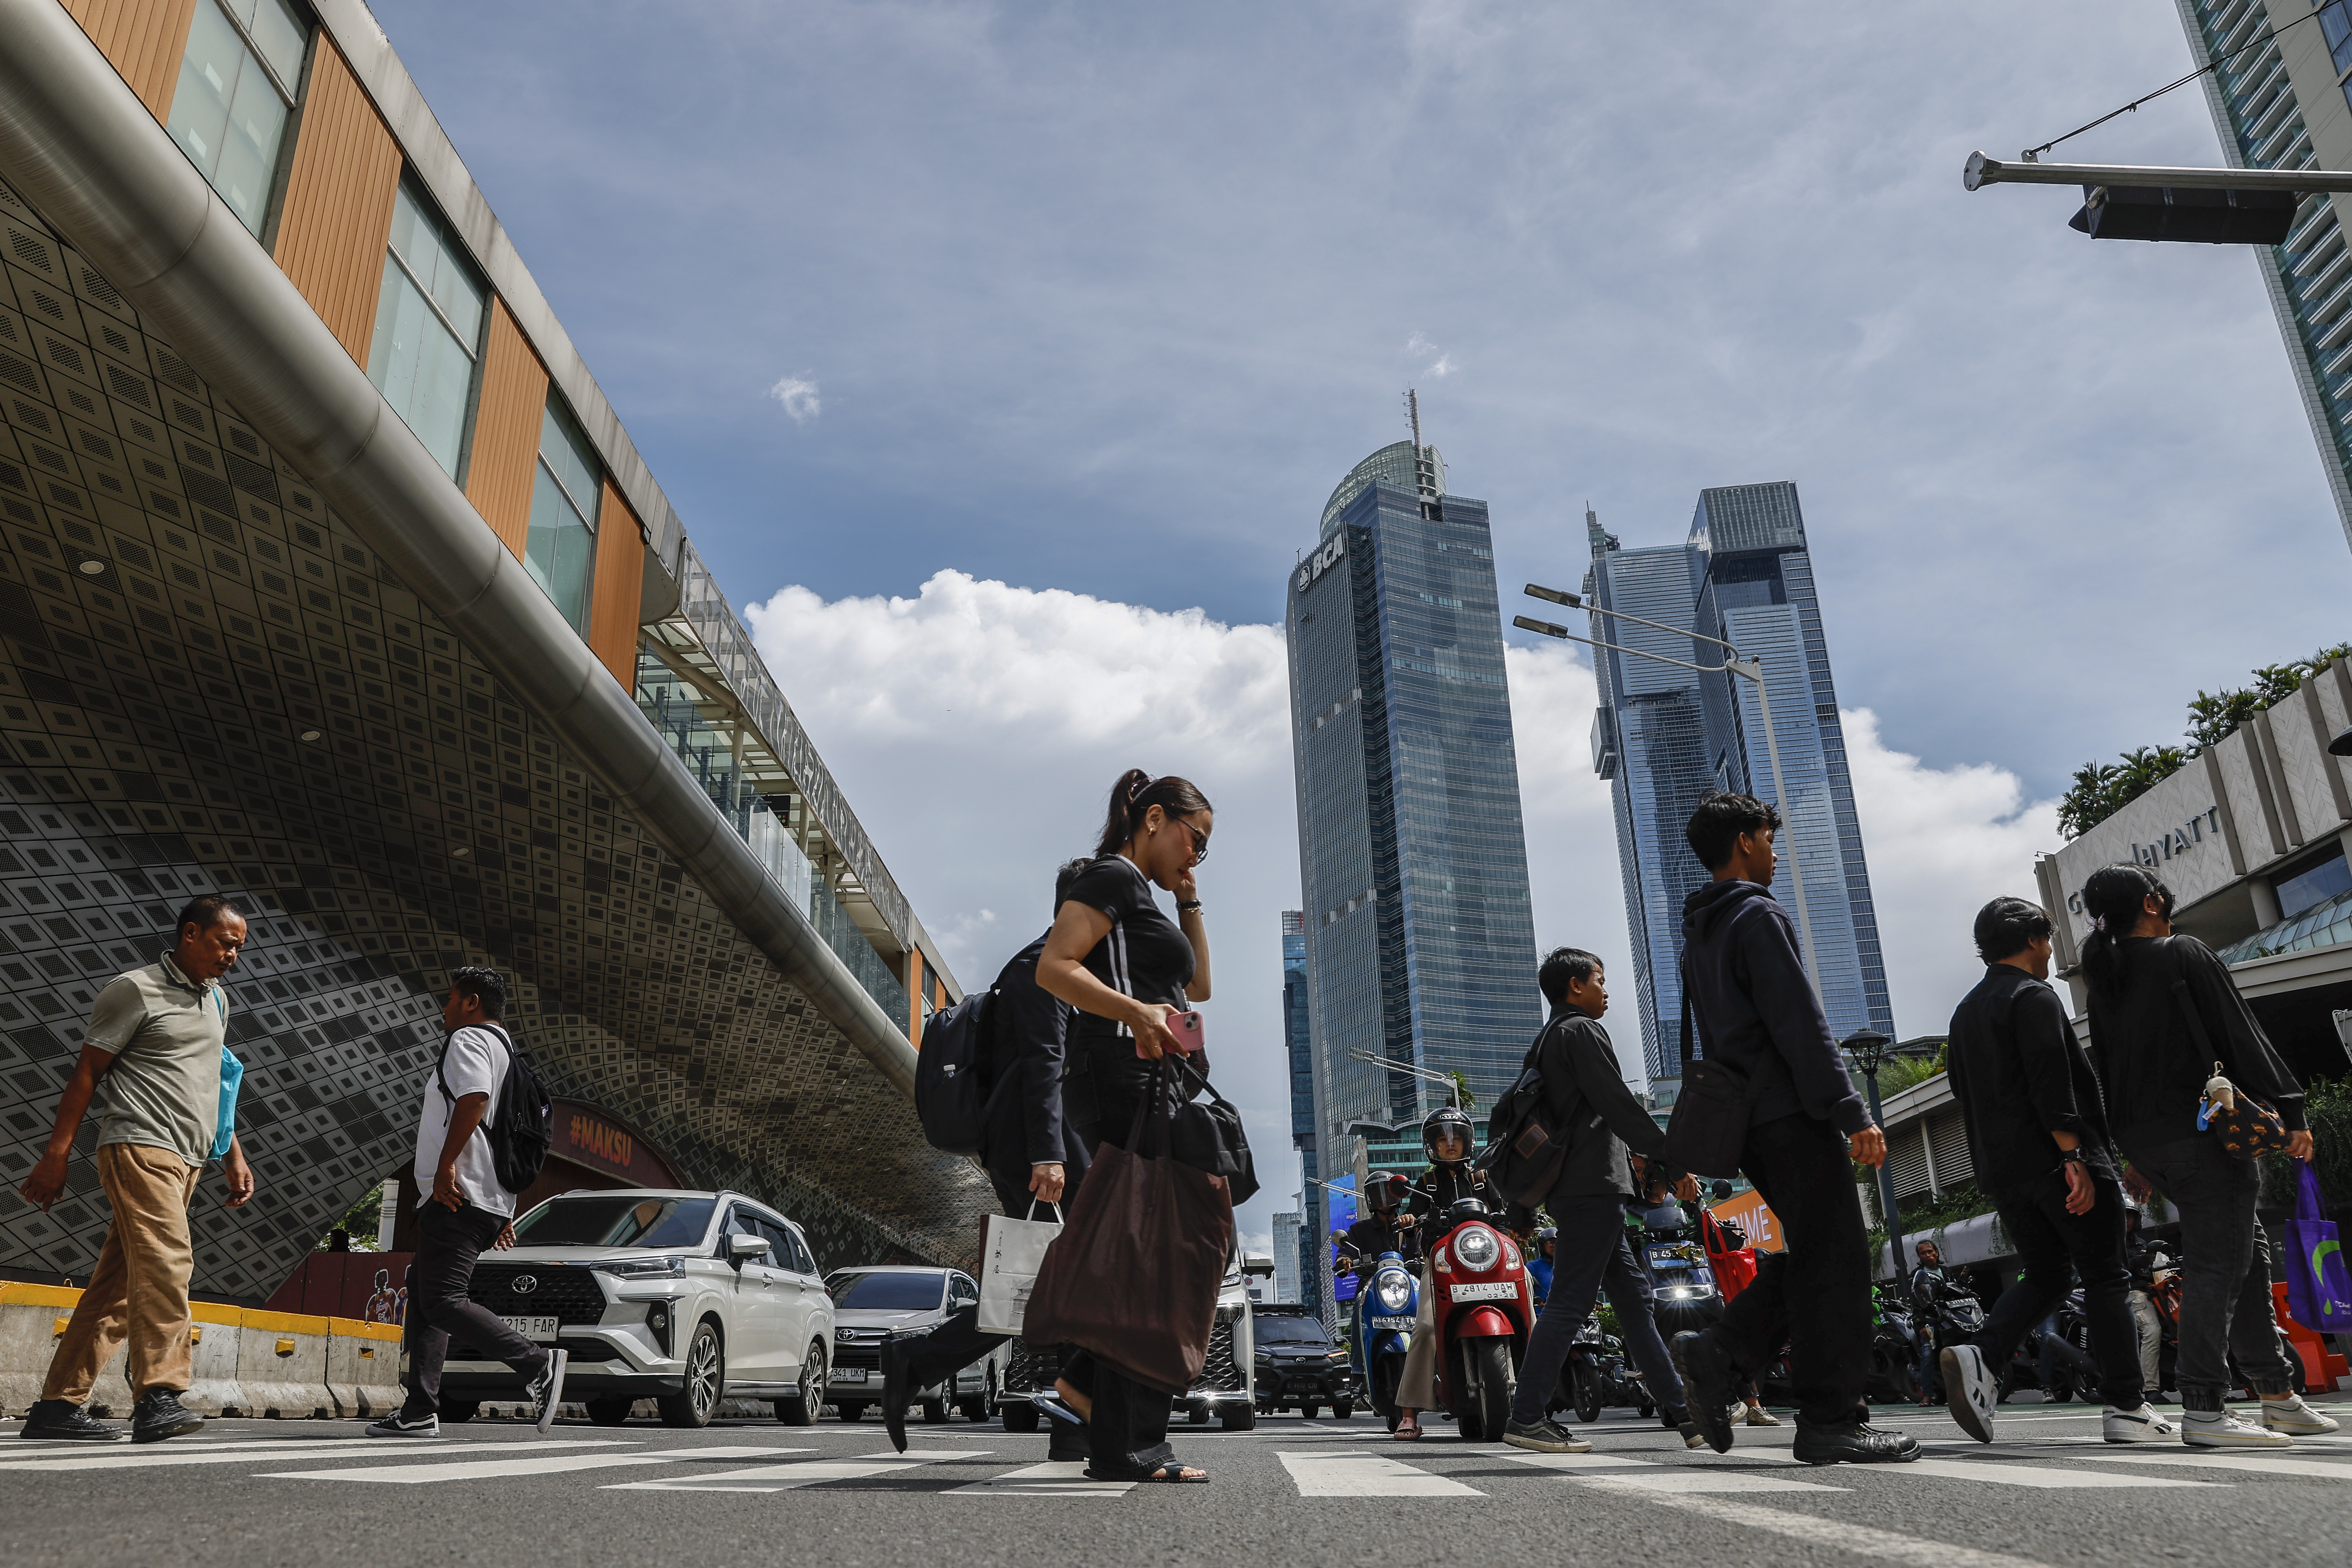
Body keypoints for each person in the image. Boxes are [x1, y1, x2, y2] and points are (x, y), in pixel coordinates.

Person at [1665, 793, 1919, 1465]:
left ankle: (1722, 1352)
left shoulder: (1699, 932)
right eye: (1770, 840)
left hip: (1746, 1122)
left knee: (1814, 1253)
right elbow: (1798, 1021)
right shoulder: (1756, 915)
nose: (1775, 854)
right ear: (1744, 842)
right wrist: (1849, 1109)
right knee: (1839, 1259)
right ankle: (1831, 1419)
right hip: (1789, 1110)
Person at [2076, 863, 2338, 1448]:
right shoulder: (2182, 952)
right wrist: (2290, 1110)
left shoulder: (2106, 978)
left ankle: (2275, 1392)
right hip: (2204, 1135)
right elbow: (2240, 1034)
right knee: (2218, 1263)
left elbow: (2108, 1071)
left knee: (2245, 1250)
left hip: (2148, 1141)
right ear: (2152, 902)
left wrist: (2134, 1153)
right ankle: (2203, 1406)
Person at [15, 896, 257, 1443]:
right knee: (169, 1262)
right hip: (140, 1145)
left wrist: (232, 1153)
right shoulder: (134, 989)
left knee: (117, 1288)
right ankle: (159, 1396)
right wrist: (57, 1154)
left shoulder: (217, 1000)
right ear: (191, 933)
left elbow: (213, 1083)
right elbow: (88, 1070)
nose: (233, 955)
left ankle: (57, 1405)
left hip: (190, 1156)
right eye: (226, 943)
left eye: (239, 947)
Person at [1934, 896, 2175, 1445]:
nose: (2049, 951)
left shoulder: (1965, 1012)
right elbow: (2052, 1081)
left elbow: (1961, 1091)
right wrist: (2073, 1157)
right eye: (2046, 940)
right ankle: (2127, 1405)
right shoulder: (2033, 996)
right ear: (2033, 940)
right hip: (2060, 1162)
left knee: (2046, 1272)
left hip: (2003, 1172)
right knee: (2106, 1276)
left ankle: (1982, 1352)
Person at [1036, 769, 1216, 1484]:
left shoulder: (1145, 896)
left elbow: (1199, 987)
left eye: (1204, 848)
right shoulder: (1111, 877)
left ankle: (1096, 1396)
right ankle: (1128, 1442)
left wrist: (1188, 899)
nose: (1196, 853)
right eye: (1194, 838)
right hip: (1120, 1077)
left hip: (1154, 1083)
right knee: (1158, 1253)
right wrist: (1137, 1012)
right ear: (1154, 818)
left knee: (1157, 1252)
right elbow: (1054, 968)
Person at [884, 860, 1096, 1460]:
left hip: (1047, 1146)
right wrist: (1050, 1155)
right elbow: (1042, 1064)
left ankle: (1074, 1424)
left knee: (1058, 1284)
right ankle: (1074, 1420)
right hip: (1035, 1151)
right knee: (1071, 1279)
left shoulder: (1067, 969)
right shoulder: (1041, 967)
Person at [1499, 949, 1707, 1455]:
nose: (1605, 989)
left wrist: (1521, 1208)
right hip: (1590, 1186)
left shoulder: (1546, 1041)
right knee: (1570, 1302)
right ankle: (1525, 1416)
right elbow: (1618, 1104)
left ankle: (1686, 1414)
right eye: (1599, 979)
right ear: (1575, 986)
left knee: (1634, 1303)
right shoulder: (1580, 1031)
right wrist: (1673, 1162)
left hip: (1583, 1189)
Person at [368, 967, 566, 1439]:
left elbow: (474, 1099)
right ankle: (420, 1408)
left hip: (457, 1194)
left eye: (451, 999)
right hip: (484, 1197)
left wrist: (445, 1165)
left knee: (442, 1299)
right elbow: (506, 1134)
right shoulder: (508, 1053)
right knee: (424, 1292)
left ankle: (536, 1363)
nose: (444, 1008)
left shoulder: (469, 1039)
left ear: (472, 1002)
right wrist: (502, 1208)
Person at [1389, 1107, 1492, 1441]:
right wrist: (1408, 1220)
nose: (1450, 1144)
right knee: (1426, 1328)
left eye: (1457, 1138)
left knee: (1530, 1304)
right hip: (1442, 1264)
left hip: (1489, 1263)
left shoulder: (1482, 1178)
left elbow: (1504, 1210)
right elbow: (1412, 1215)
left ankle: (1538, 1393)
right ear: (1432, 1146)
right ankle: (1409, 1413)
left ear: (1468, 1142)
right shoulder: (1427, 1183)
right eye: (1443, 1139)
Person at [2124, 1206, 2172, 1401]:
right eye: (2122, 1216)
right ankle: (2150, 1388)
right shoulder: (2111, 1243)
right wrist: (2139, 1261)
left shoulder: (2142, 1243)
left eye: (2130, 1216)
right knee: (2153, 1331)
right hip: (2133, 1293)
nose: (2126, 1220)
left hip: (2157, 1292)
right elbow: (2113, 1267)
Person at [1908, 1239, 1955, 1404]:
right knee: (1928, 1354)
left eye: (1930, 1251)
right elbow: (1916, 1303)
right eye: (1923, 1253)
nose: (1928, 1255)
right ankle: (1927, 1395)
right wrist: (1922, 1326)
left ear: (1937, 1252)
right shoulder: (1917, 1275)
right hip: (1930, 1321)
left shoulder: (1947, 1272)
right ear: (1919, 1257)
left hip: (1950, 1319)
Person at [1527, 1229, 1556, 1307]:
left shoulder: (1566, 1267)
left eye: (1557, 1242)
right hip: (1541, 1313)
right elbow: (1526, 1289)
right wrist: (1535, 1298)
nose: (1554, 1245)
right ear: (1542, 1246)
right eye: (1550, 1242)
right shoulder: (1533, 1266)